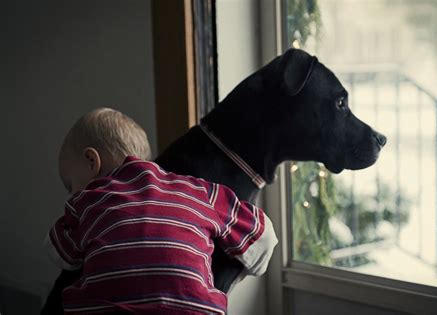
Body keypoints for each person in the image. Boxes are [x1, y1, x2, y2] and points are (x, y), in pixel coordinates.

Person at [45, 107, 278, 314]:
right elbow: (263, 235)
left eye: (70, 186)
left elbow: (58, 253)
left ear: (91, 161)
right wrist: (253, 263)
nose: (72, 194)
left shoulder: (89, 200)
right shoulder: (199, 191)